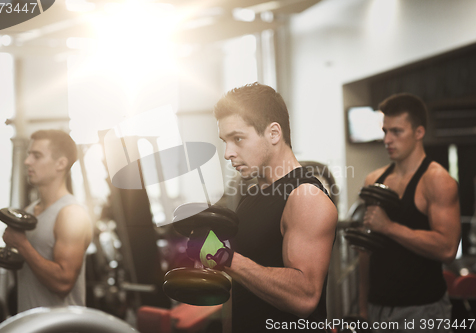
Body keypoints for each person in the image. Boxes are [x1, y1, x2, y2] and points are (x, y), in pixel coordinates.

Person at [189, 82, 337, 332]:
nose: (228, 153)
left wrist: (225, 257)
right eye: (225, 141)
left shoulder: (305, 196)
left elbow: (304, 296)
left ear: (274, 133)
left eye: (238, 139)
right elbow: (239, 284)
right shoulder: (252, 195)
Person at [358, 93, 460, 332]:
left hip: (422, 310)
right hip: (377, 307)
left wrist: (389, 227)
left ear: (419, 133)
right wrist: (363, 306)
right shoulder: (374, 179)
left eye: (397, 132)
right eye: (385, 131)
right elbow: (366, 251)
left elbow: (447, 248)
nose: (387, 140)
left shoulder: (437, 180)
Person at [3, 129, 92, 312]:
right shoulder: (29, 211)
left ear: (60, 163)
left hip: (61, 328)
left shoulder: (70, 214)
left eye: (37, 156)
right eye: (29, 155)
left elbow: (63, 283)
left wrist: (21, 245)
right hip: (31, 325)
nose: (27, 161)